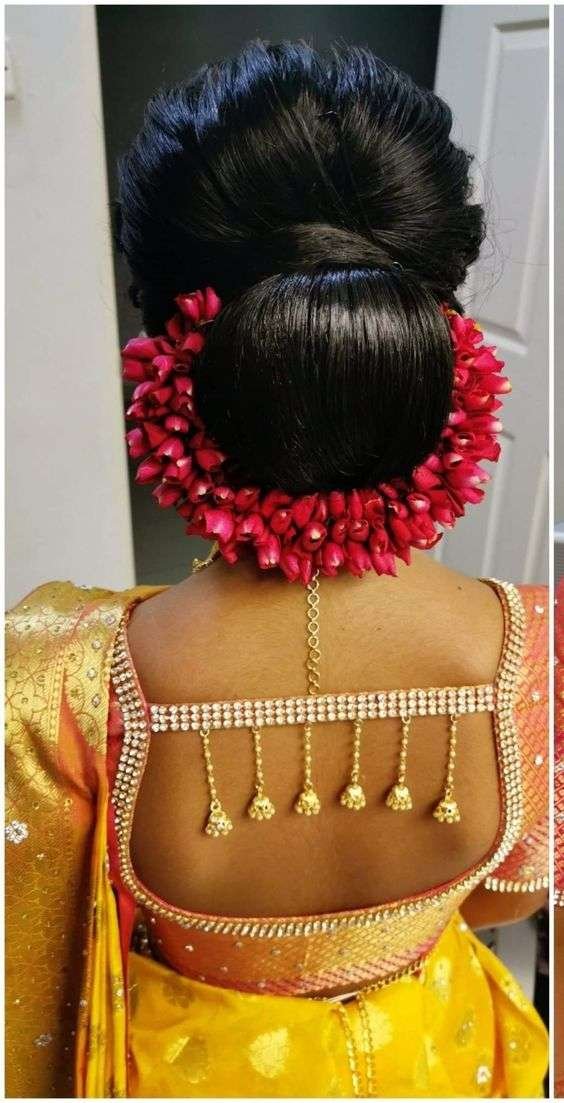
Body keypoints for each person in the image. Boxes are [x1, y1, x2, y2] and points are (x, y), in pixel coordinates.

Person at [6, 42, 548, 1099]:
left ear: (167, 355)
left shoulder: (59, 672)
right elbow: (502, 899)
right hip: (442, 1062)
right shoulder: (536, 649)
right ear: (433, 343)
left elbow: (42, 957)